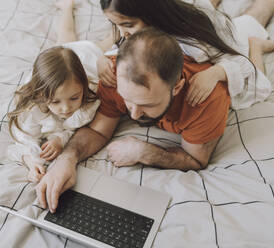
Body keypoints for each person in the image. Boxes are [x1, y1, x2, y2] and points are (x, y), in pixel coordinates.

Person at [36, 28, 232, 213]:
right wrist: (67, 159)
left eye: (148, 104)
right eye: (127, 100)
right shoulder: (113, 75)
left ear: (177, 87)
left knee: (250, 21)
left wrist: (145, 152)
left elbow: (196, 159)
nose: (135, 115)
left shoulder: (206, 100)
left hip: (219, 37)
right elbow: (97, 131)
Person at [97, 0, 274, 108]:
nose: (122, 34)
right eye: (116, 25)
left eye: (128, 25)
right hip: (199, 20)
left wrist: (216, 73)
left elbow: (242, 64)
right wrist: (101, 59)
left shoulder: (197, 44)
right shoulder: (136, 32)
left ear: (152, 16)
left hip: (230, 38)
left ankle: (256, 45)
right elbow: (118, 49)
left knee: (256, 15)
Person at [6, 0, 107, 183]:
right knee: (64, 39)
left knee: (109, 44)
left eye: (74, 98)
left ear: (83, 89)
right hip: (54, 68)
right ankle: (67, 6)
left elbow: (75, 127)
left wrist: (60, 140)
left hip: (85, 58)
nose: (66, 108)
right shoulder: (33, 106)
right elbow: (24, 140)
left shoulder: (89, 94)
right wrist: (32, 162)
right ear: (41, 97)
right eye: (55, 102)